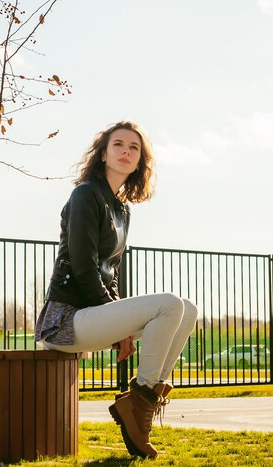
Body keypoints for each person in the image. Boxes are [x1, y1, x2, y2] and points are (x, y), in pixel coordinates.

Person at [35, 120, 198, 459]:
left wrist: (118, 319)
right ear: (103, 154)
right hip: (65, 320)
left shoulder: (122, 209)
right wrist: (119, 327)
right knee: (168, 304)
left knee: (188, 309)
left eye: (134, 148)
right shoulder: (85, 195)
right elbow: (82, 265)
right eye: (118, 145)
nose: (126, 151)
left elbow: (113, 275)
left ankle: (142, 402)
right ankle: (138, 399)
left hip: (95, 313)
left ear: (140, 161)